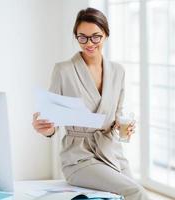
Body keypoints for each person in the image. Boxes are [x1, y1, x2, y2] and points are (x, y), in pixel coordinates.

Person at [32, 7, 149, 200]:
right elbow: (51, 119)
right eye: (82, 37)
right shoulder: (63, 70)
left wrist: (123, 128)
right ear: (76, 37)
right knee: (136, 192)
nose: (89, 43)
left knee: (134, 191)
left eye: (96, 37)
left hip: (111, 151)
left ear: (106, 35)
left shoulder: (118, 71)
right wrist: (46, 129)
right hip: (79, 157)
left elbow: (118, 117)